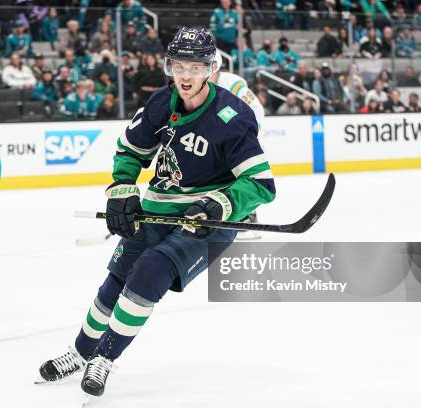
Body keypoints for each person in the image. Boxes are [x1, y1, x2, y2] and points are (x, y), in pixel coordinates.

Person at [37, 27, 275, 397]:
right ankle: (80, 352)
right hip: (157, 207)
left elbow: (261, 184)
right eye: (178, 65)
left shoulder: (233, 116)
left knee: (151, 271)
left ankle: (104, 358)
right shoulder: (160, 104)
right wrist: (121, 191)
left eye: (195, 67)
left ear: (211, 69)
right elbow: (131, 151)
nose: (185, 75)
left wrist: (221, 203)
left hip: (206, 221)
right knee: (116, 279)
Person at [210, 49, 265, 241]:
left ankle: (247, 218)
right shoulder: (196, 89)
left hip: (241, 138)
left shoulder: (233, 84)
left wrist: (246, 135)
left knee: (242, 176)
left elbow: (256, 108)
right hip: (215, 140)